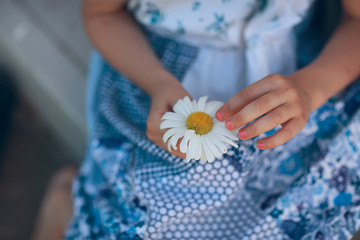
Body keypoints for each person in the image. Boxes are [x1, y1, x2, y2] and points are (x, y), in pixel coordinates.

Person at [65, 0, 360, 239]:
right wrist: (156, 81)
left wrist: (310, 89)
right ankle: (64, 204)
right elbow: (102, 13)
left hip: (300, 77)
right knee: (152, 211)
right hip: (157, 75)